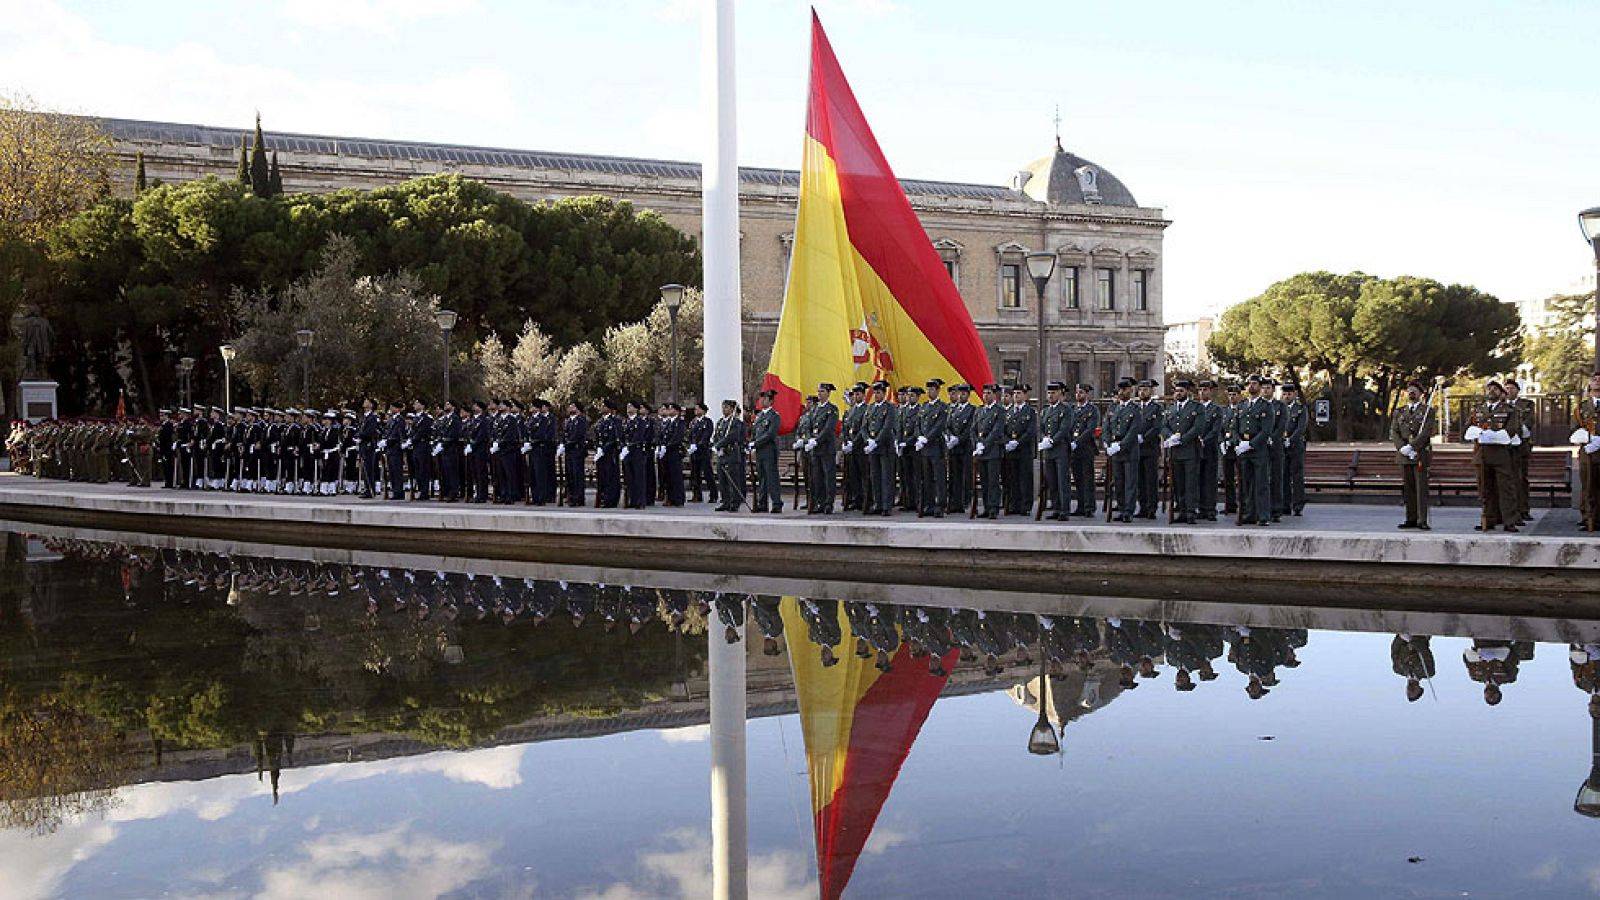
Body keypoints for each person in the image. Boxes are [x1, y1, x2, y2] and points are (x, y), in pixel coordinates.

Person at [1466, 380, 1524, 532]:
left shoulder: (1510, 410)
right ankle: (1488, 518)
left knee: (1506, 488)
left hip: (1501, 454)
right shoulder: (1477, 410)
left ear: (1501, 393)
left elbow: (1513, 428)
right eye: (1489, 388)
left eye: (1495, 389)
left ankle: (1509, 521)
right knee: (1485, 488)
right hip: (1482, 453)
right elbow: (1467, 427)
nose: (1491, 391)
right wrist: (1475, 433)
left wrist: (1494, 435)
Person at [1392, 380, 1436, 530]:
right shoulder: (1399, 411)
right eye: (1409, 390)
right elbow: (1394, 431)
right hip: (1404, 454)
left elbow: (1426, 432)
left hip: (1419, 453)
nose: (1411, 392)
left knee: (1420, 488)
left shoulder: (1427, 411)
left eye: (1415, 390)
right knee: (1408, 488)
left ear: (1421, 394)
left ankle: (1422, 519)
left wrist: (1413, 446)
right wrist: (1402, 448)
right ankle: (1410, 518)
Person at [1160, 379, 1203, 523]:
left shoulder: (1196, 407)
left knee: (1190, 482)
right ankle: (1182, 510)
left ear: (1188, 392)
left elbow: (1197, 428)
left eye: (1181, 391)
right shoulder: (1171, 409)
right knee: (1178, 483)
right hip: (1175, 452)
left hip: (1190, 450)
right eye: (1176, 391)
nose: (1178, 394)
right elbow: (1164, 426)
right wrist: (1170, 437)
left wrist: (1182, 439)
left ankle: (1191, 511)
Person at [1234, 375, 1273, 526]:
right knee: (1247, 483)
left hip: (1258, 449)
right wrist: (1239, 442)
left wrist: (1251, 444)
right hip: (1244, 448)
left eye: (1255, 384)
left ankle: (1263, 515)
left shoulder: (1266, 406)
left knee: (1261, 483)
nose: (1252, 386)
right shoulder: (1242, 405)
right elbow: (1235, 427)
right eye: (1249, 384)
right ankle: (1249, 513)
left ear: (1260, 386)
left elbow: (1266, 430)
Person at [1103, 378, 1138, 522]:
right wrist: (1108, 442)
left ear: (1130, 390)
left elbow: (1133, 431)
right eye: (1120, 390)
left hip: (1128, 451)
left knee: (1130, 483)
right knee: (1119, 482)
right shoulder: (1114, 409)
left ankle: (1128, 511)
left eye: (1125, 390)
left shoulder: (1135, 409)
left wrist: (1120, 445)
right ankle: (1122, 508)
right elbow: (1106, 427)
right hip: (1115, 451)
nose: (1122, 392)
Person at [862, 380, 897, 516]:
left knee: (886, 477)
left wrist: (876, 441)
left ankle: (887, 506)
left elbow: (887, 427)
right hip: (873, 448)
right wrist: (868, 440)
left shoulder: (889, 408)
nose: (876, 395)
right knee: (875, 476)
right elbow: (864, 427)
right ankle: (878, 503)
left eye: (879, 393)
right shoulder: (870, 408)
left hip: (885, 447)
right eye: (875, 392)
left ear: (884, 393)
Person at [971, 383, 1006, 518]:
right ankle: (986, 507)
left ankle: (993, 508)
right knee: (984, 481)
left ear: (995, 395)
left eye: (989, 393)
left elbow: (996, 431)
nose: (986, 396)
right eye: (984, 393)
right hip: (980, 451)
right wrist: (976, 444)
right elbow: (973, 429)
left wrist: (984, 444)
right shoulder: (980, 410)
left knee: (993, 481)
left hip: (993, 450)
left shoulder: (999, 410)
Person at [1039, 381, 1072, 520]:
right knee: (1052, 481)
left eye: (1053, 393)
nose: (1050, 395)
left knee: (1062, 481)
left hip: (1060, 449)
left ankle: (1064, 509)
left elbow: (1064, 428)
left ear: (1059, 393)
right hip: (1049, 451)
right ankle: (1056, 507)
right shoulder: (1046, 410)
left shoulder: (1065, 410)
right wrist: (1044, 439)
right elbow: (1040, 427)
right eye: (1049, 393)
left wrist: (1052, 440)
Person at [915, 379, 948, 517]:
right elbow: (918, 424)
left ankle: (939, 505)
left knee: (938, 478)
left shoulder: (942, 407)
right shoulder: (924, 407)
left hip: (936, 447)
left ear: (938, 390)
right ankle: (928, 504)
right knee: (926, 478)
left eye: (932, 389)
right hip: (924, 448)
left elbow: (939, 426)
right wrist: (919, 437)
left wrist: (927, 438)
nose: (929, 392)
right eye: (928, 389)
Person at [1067, 383, 1100, 518]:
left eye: (1081, 392)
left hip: (1086, 447)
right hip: (1074, 450)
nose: (1078, 395)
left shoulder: (1092, 410)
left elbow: (1090, 429)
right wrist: (1070, 441)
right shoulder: (1073, 409)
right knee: (1078, 478)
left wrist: (1077, 441)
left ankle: (1089, 507)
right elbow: (1069, 427)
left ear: (1087, 394)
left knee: (1087, 479)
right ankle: (1080, 505)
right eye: (1077, 392)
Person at [1003, 384, 1037, 515]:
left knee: (1025, 479)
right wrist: (1007, 441)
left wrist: (1017, 442)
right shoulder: (1009, 412)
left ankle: (1025, 506)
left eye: (1019, 393)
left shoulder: (1030, 412)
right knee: (1012, 478)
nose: (1016, 396)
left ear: (1025, 395)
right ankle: (1013, 504)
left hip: (1024, 450)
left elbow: (1030, 431)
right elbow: (1003, 429)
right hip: (1011, 451)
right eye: (1015, 393)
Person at [1505, 379, 1535, 526]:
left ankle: (1523, 509)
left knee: (1520, 478)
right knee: (1507, 479)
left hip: (1520, 446)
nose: (1508, 391)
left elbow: (1528, 424)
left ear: (1517, 390)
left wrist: (1515, 430)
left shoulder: (1526, 405)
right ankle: (1508, 511)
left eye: (1511, 388)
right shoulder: (1502, 406)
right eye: (1506, 388)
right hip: (1504, 447)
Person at [749, 389, 783, 513]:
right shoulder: (759, 416)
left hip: (769, 450)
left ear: (771, 401)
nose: (763, 401)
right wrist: (751, 443)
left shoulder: (774, 416)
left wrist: (756, 443)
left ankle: (776, 503)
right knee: (762, 478)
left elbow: (770, 434)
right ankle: (762, 503)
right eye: (762, 398)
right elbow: (755, 432)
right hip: (759, 451)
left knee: (771, 477)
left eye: (766, 399)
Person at [807, 383, 839, 514]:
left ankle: (828, 503)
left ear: (828, 393)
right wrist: (809, 438)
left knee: (828, 476)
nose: (819, 394)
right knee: (817, 477)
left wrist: (817, 440)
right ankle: (819, 502)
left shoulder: (832, 409)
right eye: (818, 391)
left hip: (826, 448)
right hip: (816, 449)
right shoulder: (815, 409)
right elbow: (809, 426)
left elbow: (829, 428)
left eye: (822, 391)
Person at [945, 383, 975, 514]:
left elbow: (970, 427)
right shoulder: (953, 409)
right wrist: (950, 436)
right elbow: (948, 425)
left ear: (968, 395)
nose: (960, 396)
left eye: (963, 394)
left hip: (965, 447)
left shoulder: (972, 409)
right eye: (959, 393)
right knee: (953, 475)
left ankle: (964, 501)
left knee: (964, 476)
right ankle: (954, 502)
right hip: (953, 448)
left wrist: (959, 438)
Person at [1196, 380, 1223, 521]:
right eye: (1200, 389)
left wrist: (1203, 440)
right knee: (1198, 480)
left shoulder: (1216, 410)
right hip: (1195, 450)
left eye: (1205, 389)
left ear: (1211, 391)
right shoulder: (1195, 408)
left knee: (1210, 480)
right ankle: (1201, 507)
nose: (1202, 392)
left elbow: (1215, 430)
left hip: (1209, 449)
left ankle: (1210, 509)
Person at [712, 399, 746, 512]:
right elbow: (716, 435)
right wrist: (716, 445)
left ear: (732, 409)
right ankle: (725, 501)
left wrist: (720, 445)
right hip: (722, 454)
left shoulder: (735, 422)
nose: (724, 409)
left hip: (731, 453)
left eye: (726, 407)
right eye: (723, 407)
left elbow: (732, 436)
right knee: (722, 480)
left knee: (732, 479)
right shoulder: (720, 422)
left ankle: (734, 502)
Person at [1280, 382, 1308, 516]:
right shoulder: (1279, 408)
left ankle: (1298, 505)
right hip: (1282, 446)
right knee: (1283, 475)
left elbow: (1301, 428)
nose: (1286, 397)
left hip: (1296, 446)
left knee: (1296, 476)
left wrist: (1290, 440)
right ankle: (1285, 504)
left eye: (1289, 394)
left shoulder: (1301, 409)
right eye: (1284, 394)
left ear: (1295, 394)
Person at [1576, 374, 1600, 531]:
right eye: (1594, 380)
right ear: (1589, 385)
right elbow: (1575, 426)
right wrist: (1585, 438)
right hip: (1588, 451)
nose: (1597, 382)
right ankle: (1588, 517)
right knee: (1588, 485)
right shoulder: (1581, 407)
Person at [593, 399, 623, 508]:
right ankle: (603, 497)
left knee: (611, 477)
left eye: (604, 406)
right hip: (601, 454)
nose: (602, 408)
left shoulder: (615, 421)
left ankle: (611, 499)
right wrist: (598, 448)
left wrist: (604, 449)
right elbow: (596, 437)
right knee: (602, 477)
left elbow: (615, 438)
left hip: (610, 453)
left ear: (609, 409)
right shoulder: (600, 422)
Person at [658, 402, 687, 507]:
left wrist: (667, 446)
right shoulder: (667, 422)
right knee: (667, 477)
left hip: (674, 452)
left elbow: (677, 437)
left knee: (676, 477)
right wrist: (660, 446)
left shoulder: (680, 422)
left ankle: (678, 499)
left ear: (676, 411)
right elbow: (662, 436)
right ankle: (670, 498)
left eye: (671, 409)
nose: (669, 411)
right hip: (666, 453)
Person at [1391, 634, 1435, 703]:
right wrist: (1412, 641)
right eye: (1413, 692)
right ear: (1419, 689)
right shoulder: (1428, 672)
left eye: (1408, 693)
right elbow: (1425, 652)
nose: (1410, 690)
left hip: (1403, 634)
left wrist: (1400, 638)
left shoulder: (1398, 669)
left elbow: (1394, 650)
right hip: (1421, 634)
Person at [561, 401, 589, 506]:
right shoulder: (568, 421)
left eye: (572, 406)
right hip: (569, 451)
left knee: (577, 475)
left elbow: (577, 436)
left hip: (577, 451)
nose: (569, 408)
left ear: (577, 408)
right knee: (570, 475)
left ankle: (579, 498)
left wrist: (566, 445)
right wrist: (562, 444)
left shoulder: (581, 420)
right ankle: (571, 496)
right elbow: (565, 435)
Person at [687, 402, 715, 504]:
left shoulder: (707, 422)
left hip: (703, 451)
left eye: (698, 409)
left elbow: (706, 435)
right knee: (695, 474)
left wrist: (698, 445)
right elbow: (690, 434)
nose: (696, 411)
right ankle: (697, 494)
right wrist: (691, 444)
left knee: (708, 474)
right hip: (694, 452)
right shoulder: (693, 422)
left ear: (703, 410)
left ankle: (713, 495)